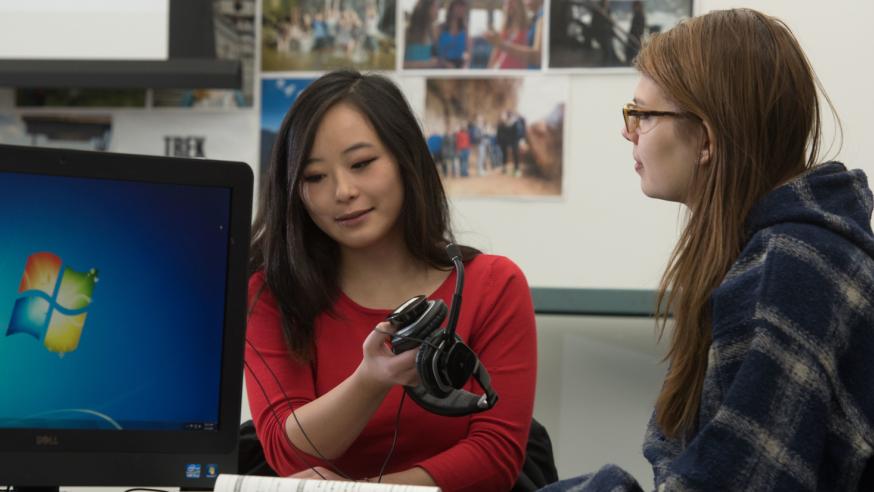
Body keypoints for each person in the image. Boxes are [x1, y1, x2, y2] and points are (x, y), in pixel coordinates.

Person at [544, 8, 874, 491]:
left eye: (643, 114)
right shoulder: (783, 249)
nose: (627, 131)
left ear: (705, 139)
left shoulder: (790, 268)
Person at [245, 70, 538, 491]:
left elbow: (497, 456)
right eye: (314, 177)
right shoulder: (270, 295)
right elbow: (286, 453)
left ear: (405, 158)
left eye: (362, 164)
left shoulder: (494, 285)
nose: (343, 191)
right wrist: (371, 379)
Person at [483, 0, 543, 69]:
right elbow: (496, 54)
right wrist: (489, 72)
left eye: (512, 2)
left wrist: (501, 44)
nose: (509, 6)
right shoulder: (504, 30)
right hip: (503, 72)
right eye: (506, 3)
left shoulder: (529, 27)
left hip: (517, 72)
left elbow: (534, 55)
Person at [403, 0, 441, 68]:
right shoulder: (408, 32)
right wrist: (425, 64)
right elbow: (400, 65)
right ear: (426, 8)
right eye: (435, 7)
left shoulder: (433, 31)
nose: (438, 11)